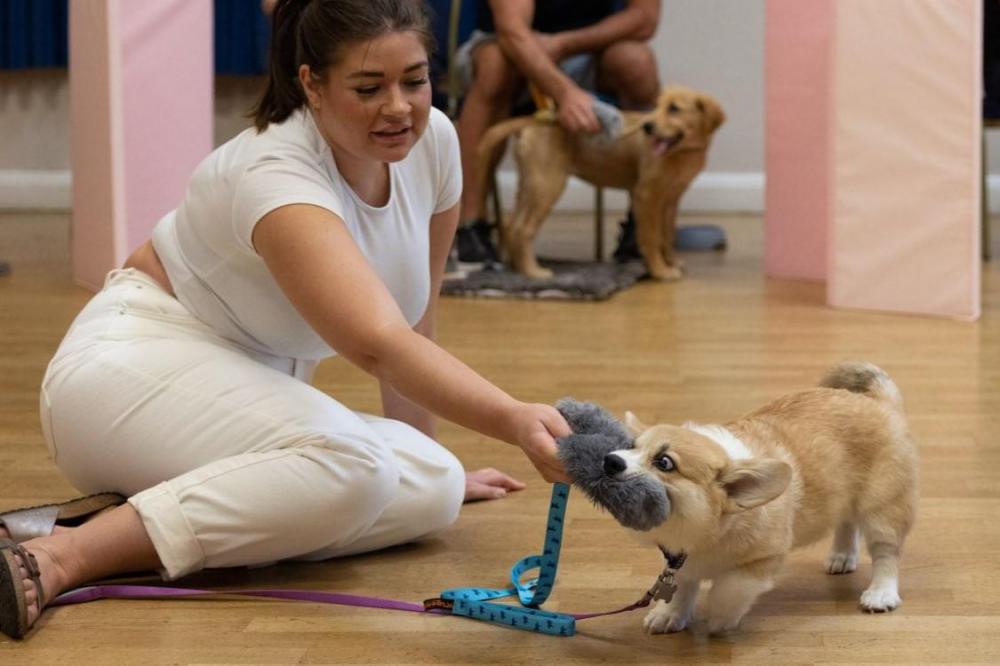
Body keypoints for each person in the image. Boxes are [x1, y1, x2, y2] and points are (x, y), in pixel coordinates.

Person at [0, 0, 571, 640]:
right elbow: (379, 345)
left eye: (414, 79)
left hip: (238, 398)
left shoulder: (434, 140)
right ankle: (61, 554)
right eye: (368, 87)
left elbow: (414, 325)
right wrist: (513, 418)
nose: (399, 106)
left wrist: (431, 455)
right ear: (311, 84)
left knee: (432, 485)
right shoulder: (274, 171)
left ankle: (153, 512)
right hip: (121, 376)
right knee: (359, 469)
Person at [451, 0, 662, 267]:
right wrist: (564, 93)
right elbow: (512, 31)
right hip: (508, 47)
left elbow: (644, 19)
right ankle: (469, 225)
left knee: (637, 62)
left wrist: (563, 44)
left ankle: (644, 228)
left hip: (585, 48)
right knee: (496, 66)